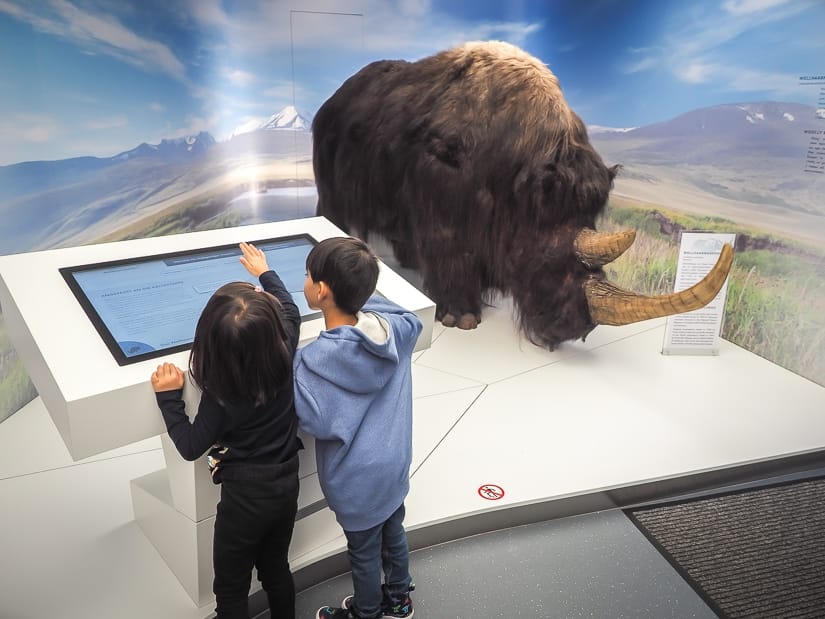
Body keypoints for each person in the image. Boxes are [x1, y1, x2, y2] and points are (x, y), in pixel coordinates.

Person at [150, 241, 302, 619]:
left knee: (231, 588)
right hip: (286, 484)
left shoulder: (220, 395)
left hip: (244, 503)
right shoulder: (285, 348)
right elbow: (292, 311)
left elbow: (189, 445)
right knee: (276, 570)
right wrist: (264, 274)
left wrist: (169, 398)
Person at [293, 236, 422, 619]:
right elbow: (403, 314)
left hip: (356, 481)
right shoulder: (399, 329)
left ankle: (367, 612)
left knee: (364, 553)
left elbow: (311, 419)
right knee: (393, 530)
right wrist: (360, 284)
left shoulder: (313, 361)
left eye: (307, 275)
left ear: (321, 291)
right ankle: (399, 599)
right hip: (394, 464)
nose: (304, 281)